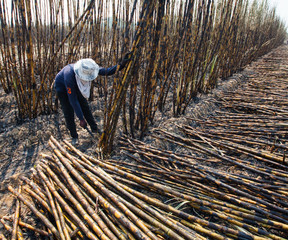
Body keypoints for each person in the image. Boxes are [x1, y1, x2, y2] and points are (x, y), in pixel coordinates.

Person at [54, 54, 130, 144]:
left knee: (85, 107)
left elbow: (107, 71)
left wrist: (121, 65)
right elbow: (73, 100)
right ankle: (74, 136)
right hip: (62, 88)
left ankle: (94, 129)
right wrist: (81, 119)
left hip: (76, 85)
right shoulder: (69, 75)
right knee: (68, 112)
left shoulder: (89, 69)